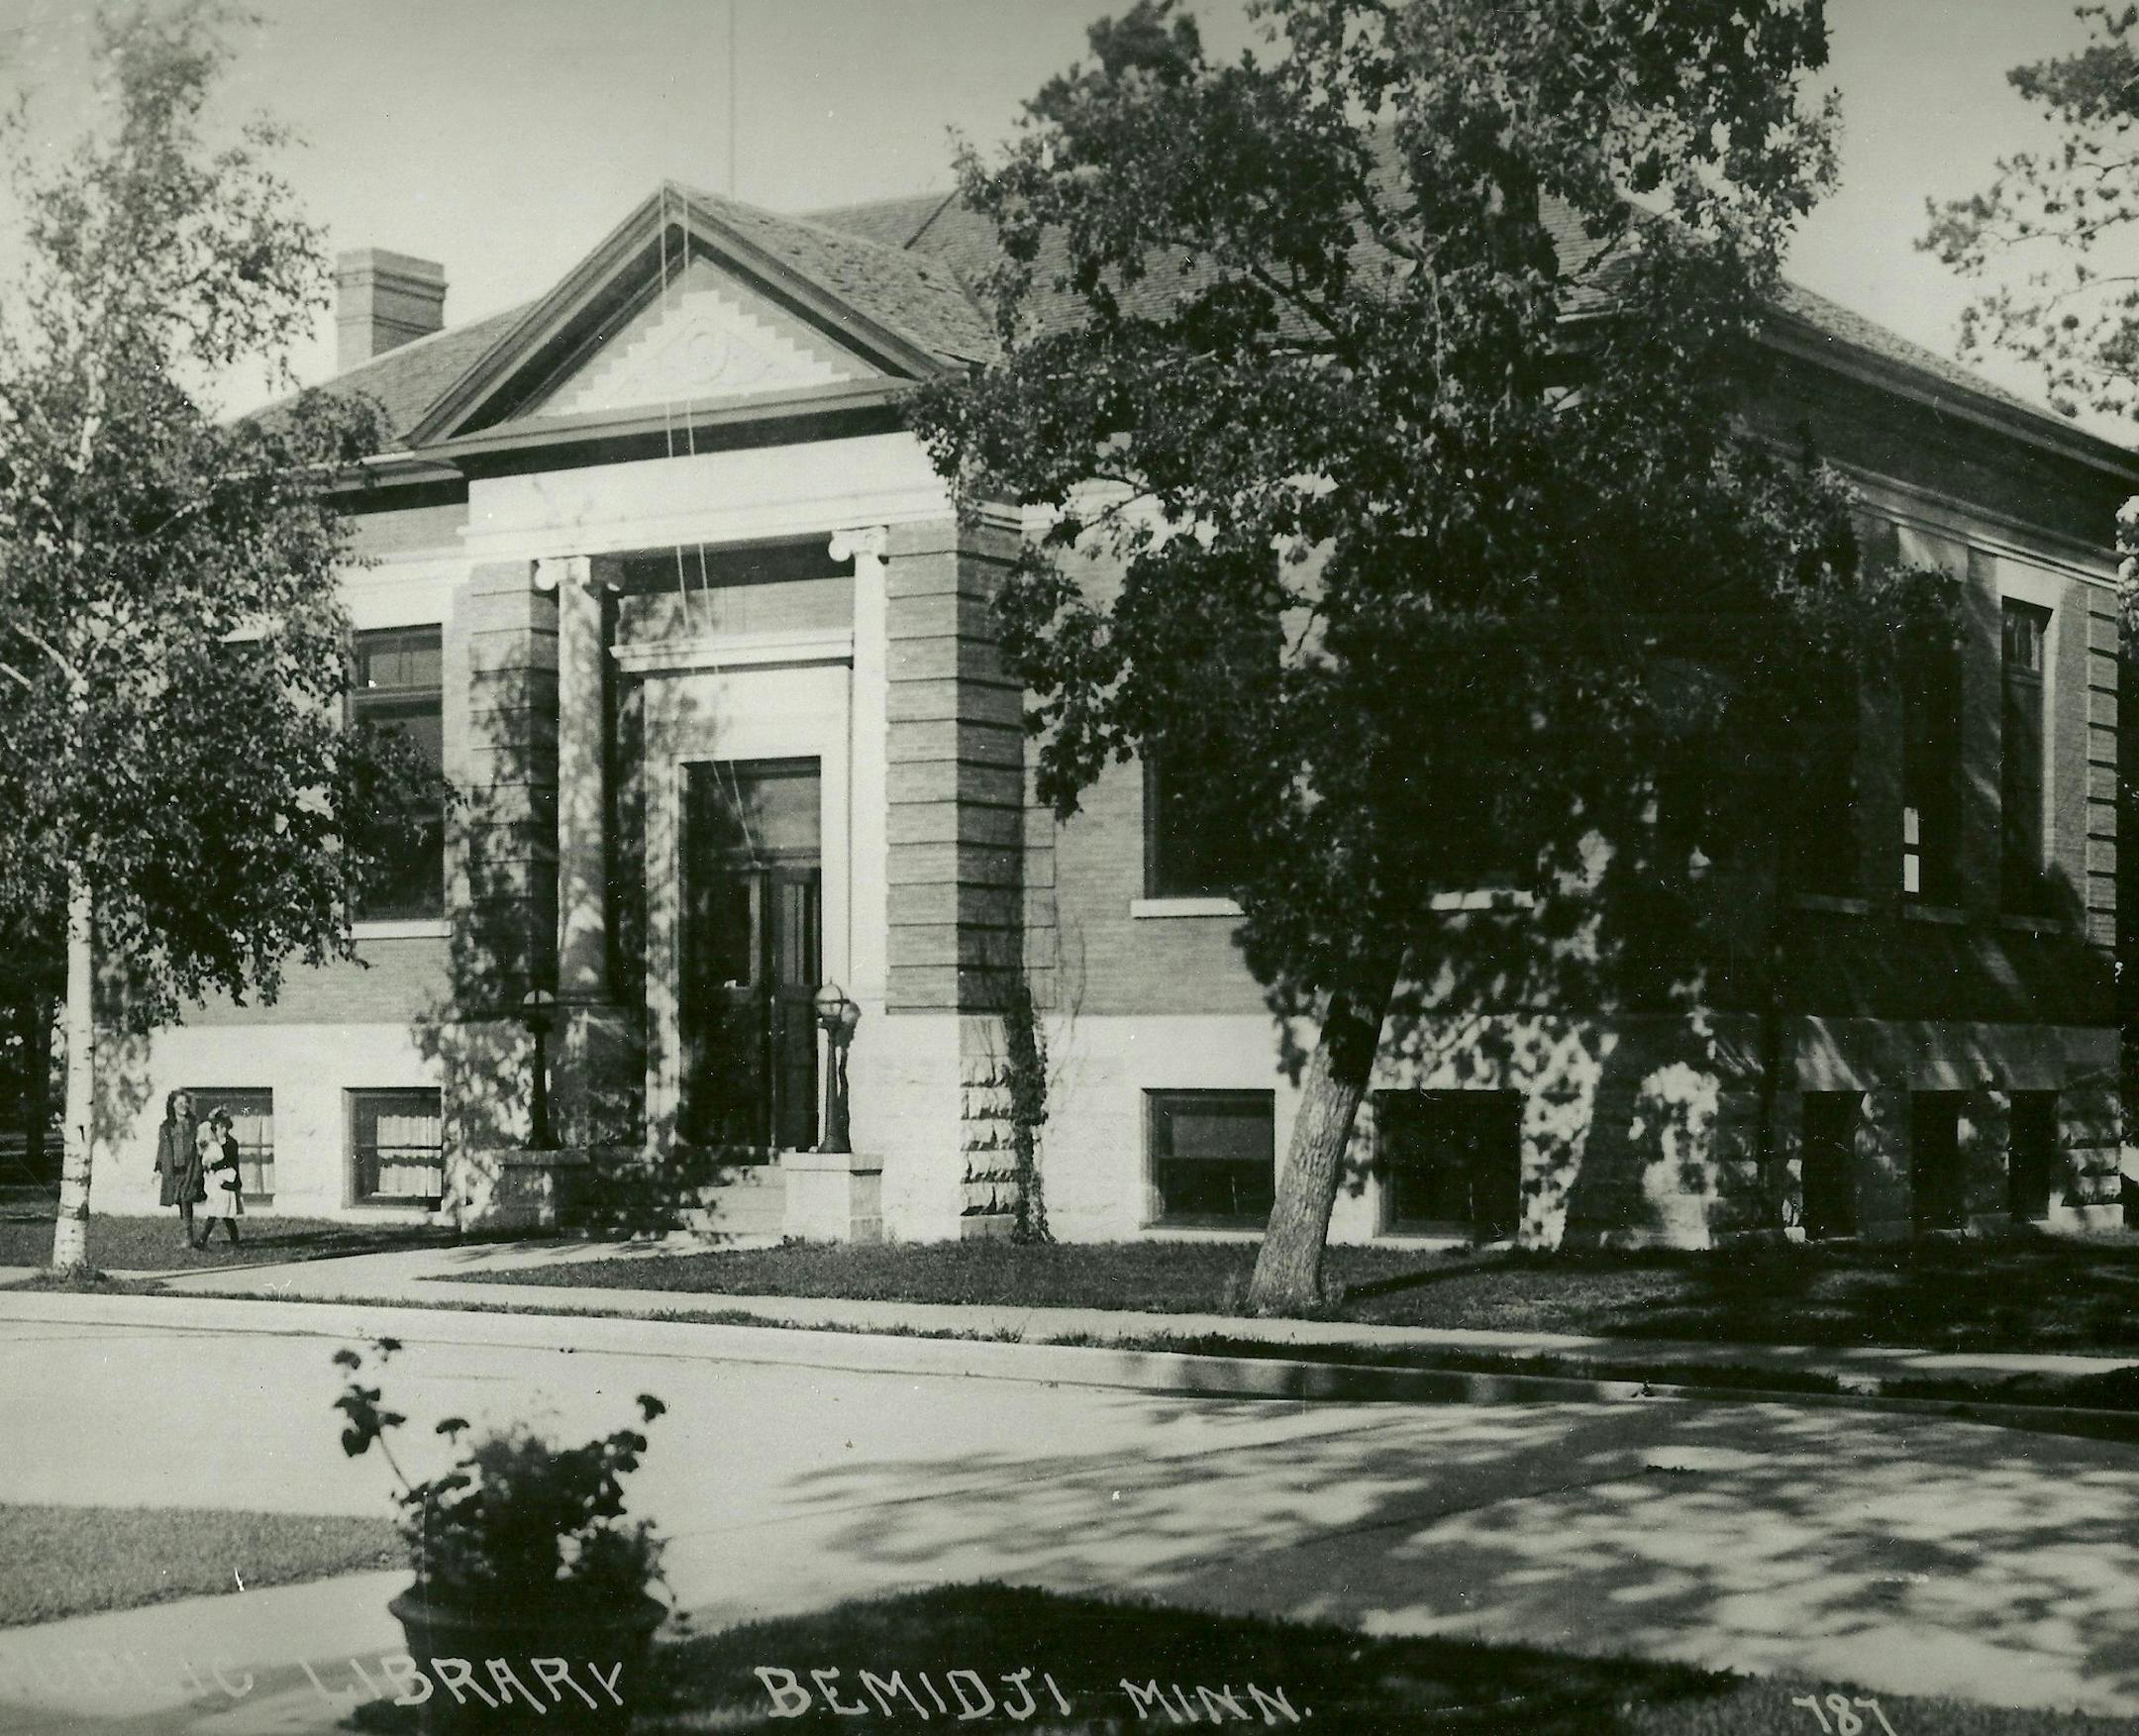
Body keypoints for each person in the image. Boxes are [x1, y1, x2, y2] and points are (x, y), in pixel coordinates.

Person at [153, 1090, 204, 1249]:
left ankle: (188, 1238)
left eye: (185, 1103)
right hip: (174, 1170)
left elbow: (203, 1142)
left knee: (186, 1199)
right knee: (182, 1202)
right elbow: (162, 1148)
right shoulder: (167, 1126)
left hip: (191, 1168)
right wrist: (158, 1168)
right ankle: (189, 1235)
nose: (183, 1106)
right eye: (179, 1103)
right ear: (173, 1105)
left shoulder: (194, 1124)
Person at [195, 1108, 245, 1248]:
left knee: (221, 1212)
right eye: (218, 1127)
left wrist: (213, 1165)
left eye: (224, 1127)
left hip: (228, 1180)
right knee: (219, 1211)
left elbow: (228, 1163)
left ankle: (203, 1240)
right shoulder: (215, 1144)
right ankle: (234, 1241)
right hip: (218, 1181)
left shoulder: (231, 1143)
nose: (221, 1130)